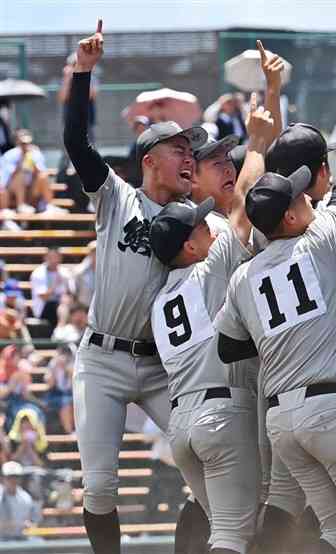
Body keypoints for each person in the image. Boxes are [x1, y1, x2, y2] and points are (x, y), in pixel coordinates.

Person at [215, 56, 336, 554]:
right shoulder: (318, 239)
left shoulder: (242, 275)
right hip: (330, 405)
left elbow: (230, 348)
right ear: (293, 213)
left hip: (281, 419)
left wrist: (279, 338)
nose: (307, 199)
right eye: (299, 198)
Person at [62, 20, 209, 554]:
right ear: (149, 160)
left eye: (191, 149)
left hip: (161, 365)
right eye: (178, 149)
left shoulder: (197, 217)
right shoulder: (116, 197)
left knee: (208, 472)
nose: (188, 156)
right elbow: (77, 141)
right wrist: (82, 74)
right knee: (100, 488)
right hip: (102, 359)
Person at [149, 91, 275, 554]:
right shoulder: (210, 263)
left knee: (229, 527)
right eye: (198, 226)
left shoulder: (161, 295)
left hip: (182, 424)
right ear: (189, 247)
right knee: (231, 535)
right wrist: (257, 142)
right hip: (222, 414)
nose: (208, 226)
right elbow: (240, 209)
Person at [0, 129, 56, 213]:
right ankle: (21, 205)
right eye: (22, 143)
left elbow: (42, 173)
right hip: (13, 193)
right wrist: (20, 163)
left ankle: (49, 206)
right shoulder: (10, 155)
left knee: (42, 176)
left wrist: (34, 164)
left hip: (32, 192)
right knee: (20, 175)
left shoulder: (35, 154)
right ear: (17, 142)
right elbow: (5, 179)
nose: (25, 145)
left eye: (27, 142)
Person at [30, 247, 70, 330]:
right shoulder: (38, 273)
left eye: (56, 257)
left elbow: (70, 292)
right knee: (57, 306)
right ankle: (60, 330)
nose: (53, 260)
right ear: (45, 258)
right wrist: (55, 285)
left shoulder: (65, 272)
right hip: (44, 308)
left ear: (60, 258)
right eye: (51, 257)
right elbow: (44, 297)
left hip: (63, 305)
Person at [0, 461, 41, 541]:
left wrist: (30, 525)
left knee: (39, 542)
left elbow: (32, 522)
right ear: (2, 478)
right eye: (9, 477)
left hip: (21, 538)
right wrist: (17, 525)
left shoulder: (25, 498)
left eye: (16, 477)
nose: (12, 480)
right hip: (1, 538)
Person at [45, 345, 75, 433]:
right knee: (65, 403)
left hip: (71, 393)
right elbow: (50, 384)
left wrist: (66, 369)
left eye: (66, 353)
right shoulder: (53, 364)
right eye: (62, 353)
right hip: (55, 393)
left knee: (72, 402)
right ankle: (69, 432)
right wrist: (55, 369)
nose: (64, 356)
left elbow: (75, 385)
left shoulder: (74, 363)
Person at [69, 240, 96, 308]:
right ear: (89, 253)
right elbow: (73, 291)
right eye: (93, 252)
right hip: (83, 308)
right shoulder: (78, 271)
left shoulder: (109, 270)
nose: (96, 254)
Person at [127, 115, 150, 188]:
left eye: (142, 126)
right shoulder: (134, 145)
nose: (140, 129)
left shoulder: (151, 143)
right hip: (136, 180)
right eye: (137, 127)